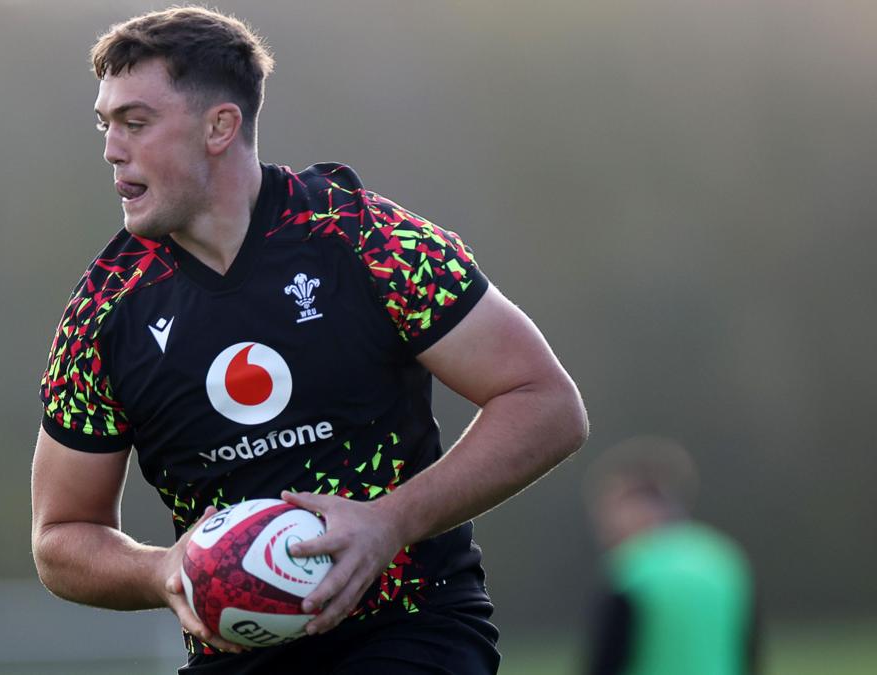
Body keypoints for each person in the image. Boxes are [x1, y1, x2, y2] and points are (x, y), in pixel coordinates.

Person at [30, 7, 588, 673]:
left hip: (410, 630)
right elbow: (60, 535)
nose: (111, 149)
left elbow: (547, 402)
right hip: (233, 655)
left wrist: (391, 522)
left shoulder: (364, 239)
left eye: (136, 122)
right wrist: (162, 569)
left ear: (220, 126)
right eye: (106, 124)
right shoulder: (104, 310)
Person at [584, 436, 759, 675]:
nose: (603, 524)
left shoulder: (632, 568)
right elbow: (749, 652)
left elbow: (606, 661)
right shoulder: (724, 558)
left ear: (638, 508)